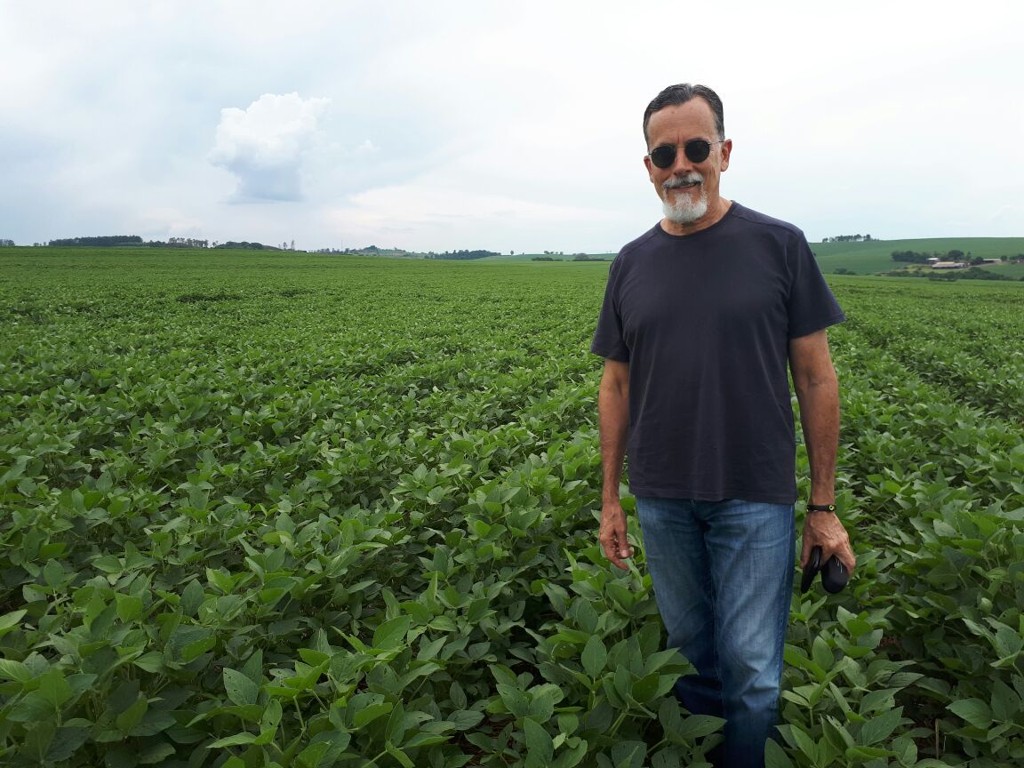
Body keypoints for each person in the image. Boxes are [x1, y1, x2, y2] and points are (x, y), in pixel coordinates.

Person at [591, 83, 856, 768]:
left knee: (753, 667)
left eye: (697, 147)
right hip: (662, 496)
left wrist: (823, 508)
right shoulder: (630, 263)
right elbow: (615, 384)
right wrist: (610, 499)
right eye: (664, 152)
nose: (681, 164)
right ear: (647, 166)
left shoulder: (778, 245)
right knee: (690, 654)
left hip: (754, 491)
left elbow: (817, 378)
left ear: (725, 153)